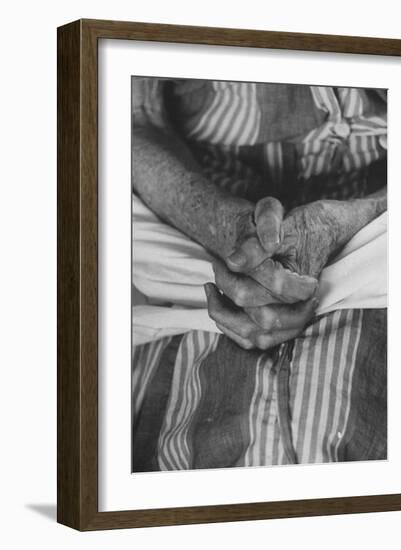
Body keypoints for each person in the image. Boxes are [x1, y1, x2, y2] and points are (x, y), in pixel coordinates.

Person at [131, 77, 388, 471]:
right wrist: (222, 227)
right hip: (187, 208)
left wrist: (362, 215)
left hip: (391, 214)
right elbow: (133, 116)